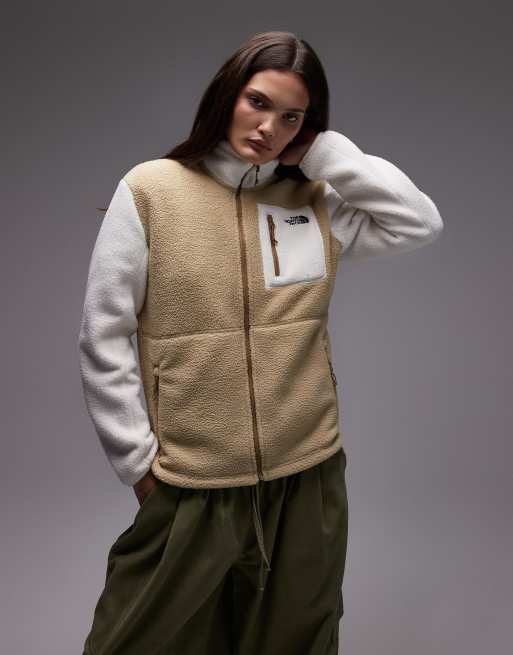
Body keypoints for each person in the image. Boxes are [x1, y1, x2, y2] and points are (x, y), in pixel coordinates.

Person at [77, 30, 443, 655]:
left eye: (292, 116)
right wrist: (136, 461)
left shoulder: (315, 200)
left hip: (307, 473)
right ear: (228, 95)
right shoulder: (150, 191)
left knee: (297, 642)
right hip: (192, 478)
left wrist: (324, 153)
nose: (269, 126)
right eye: (258, 102)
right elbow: (102, 335)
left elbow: (419, 221)